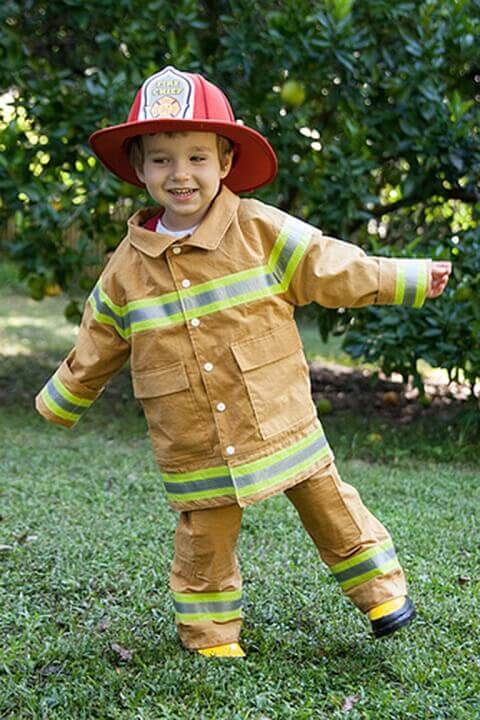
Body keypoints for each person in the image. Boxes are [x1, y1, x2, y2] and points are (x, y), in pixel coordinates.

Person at [35, 65, 452, 658]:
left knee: (329, 502)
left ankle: (382, 594)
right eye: (161, 160)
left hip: (276, 409)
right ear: (138, 168)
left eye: (197, 158)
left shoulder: (260, 229)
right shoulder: (126, 267)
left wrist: (403, 277)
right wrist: (61, 400)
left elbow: (330, 265)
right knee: (205, 535)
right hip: (192, 433)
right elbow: (99, 339)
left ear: (225, 163)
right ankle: (210, 635)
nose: (180, 174)